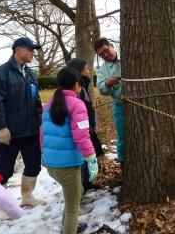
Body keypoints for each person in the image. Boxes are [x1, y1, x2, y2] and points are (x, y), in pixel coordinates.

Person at [0, 37, 44, 218]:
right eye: (29, 50)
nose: (32, 53)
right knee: (4, 169)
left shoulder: (30, 74)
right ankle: (1, 205)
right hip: (9, 132)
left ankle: (27, 196)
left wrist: (40, 120)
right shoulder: (1, 73)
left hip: (30, 129)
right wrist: (1, 127)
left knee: (34, 165)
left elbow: (36, 100)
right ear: (18, 50)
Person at [41, 66, 98, 234]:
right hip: (68, 166)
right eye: (80, 84)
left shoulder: (49, 104)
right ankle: (69, 228)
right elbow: (82, 136)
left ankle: (68, 225)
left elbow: (42, 134)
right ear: (76, 84)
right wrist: (91, 158)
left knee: (76, 192)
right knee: (74, 208)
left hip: (51, 164)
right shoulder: (77, 104)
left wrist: (44, 155)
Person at [68, 58, 104, 191]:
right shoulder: (78, 88)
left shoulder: (83, 85)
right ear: (80, 71)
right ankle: (81, 184)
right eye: (86, 68)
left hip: (87, 126)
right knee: (83, 156)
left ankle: (86, 182)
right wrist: (87, 125)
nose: (89, 70)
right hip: (83, 128)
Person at [93, 38, 125, 168]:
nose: (105, 55)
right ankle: (124, 163)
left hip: (140, 103)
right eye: (101, 54)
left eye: (106, 51)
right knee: (122, 136)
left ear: (111, 46)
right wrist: (107, 83)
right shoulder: (102, 70)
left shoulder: (129, 57)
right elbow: (101, 88)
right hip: (120, 105)